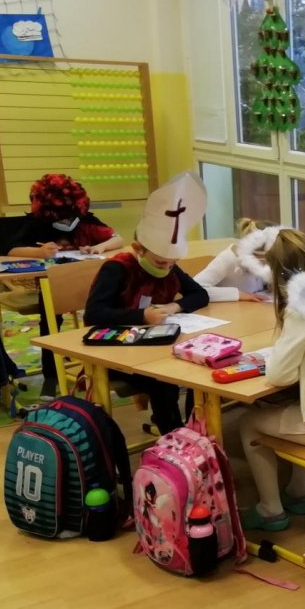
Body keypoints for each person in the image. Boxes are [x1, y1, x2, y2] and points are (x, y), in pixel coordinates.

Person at [236, 230, 305, 531]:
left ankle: (270, 510)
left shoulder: (304, 306)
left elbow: (279, 375)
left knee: (247, 423)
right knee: (301, 402)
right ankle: (298, 492)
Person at [83, 172, 210, 435]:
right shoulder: (117, 269)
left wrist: (174, 307)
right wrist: (142, 316)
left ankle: (193, 431)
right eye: (160, 263)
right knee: (164, 381)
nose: (166, 269)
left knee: (196, 369)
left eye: (172, 264)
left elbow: (199, 294)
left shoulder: (168, 266)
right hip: (117, 352)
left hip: (157, 345)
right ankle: (173, 436)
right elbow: (94, 314)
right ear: (138, 249)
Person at [6, 173, 125, 399]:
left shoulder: (85, 219)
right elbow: (11, 249)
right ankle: (51, 374)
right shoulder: (37, 223)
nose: (68, 223)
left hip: (89, 284)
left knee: (111, 309)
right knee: (50, 321)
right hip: (53, 284)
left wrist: (100, 247)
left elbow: (117, 238)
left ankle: (108, 366)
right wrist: (39, 252)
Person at [193, 218, 278, 303]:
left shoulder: (260, 259)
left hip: (257, 305)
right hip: (232, 308)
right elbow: (195, 289)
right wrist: (238, 294)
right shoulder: (227, 259)